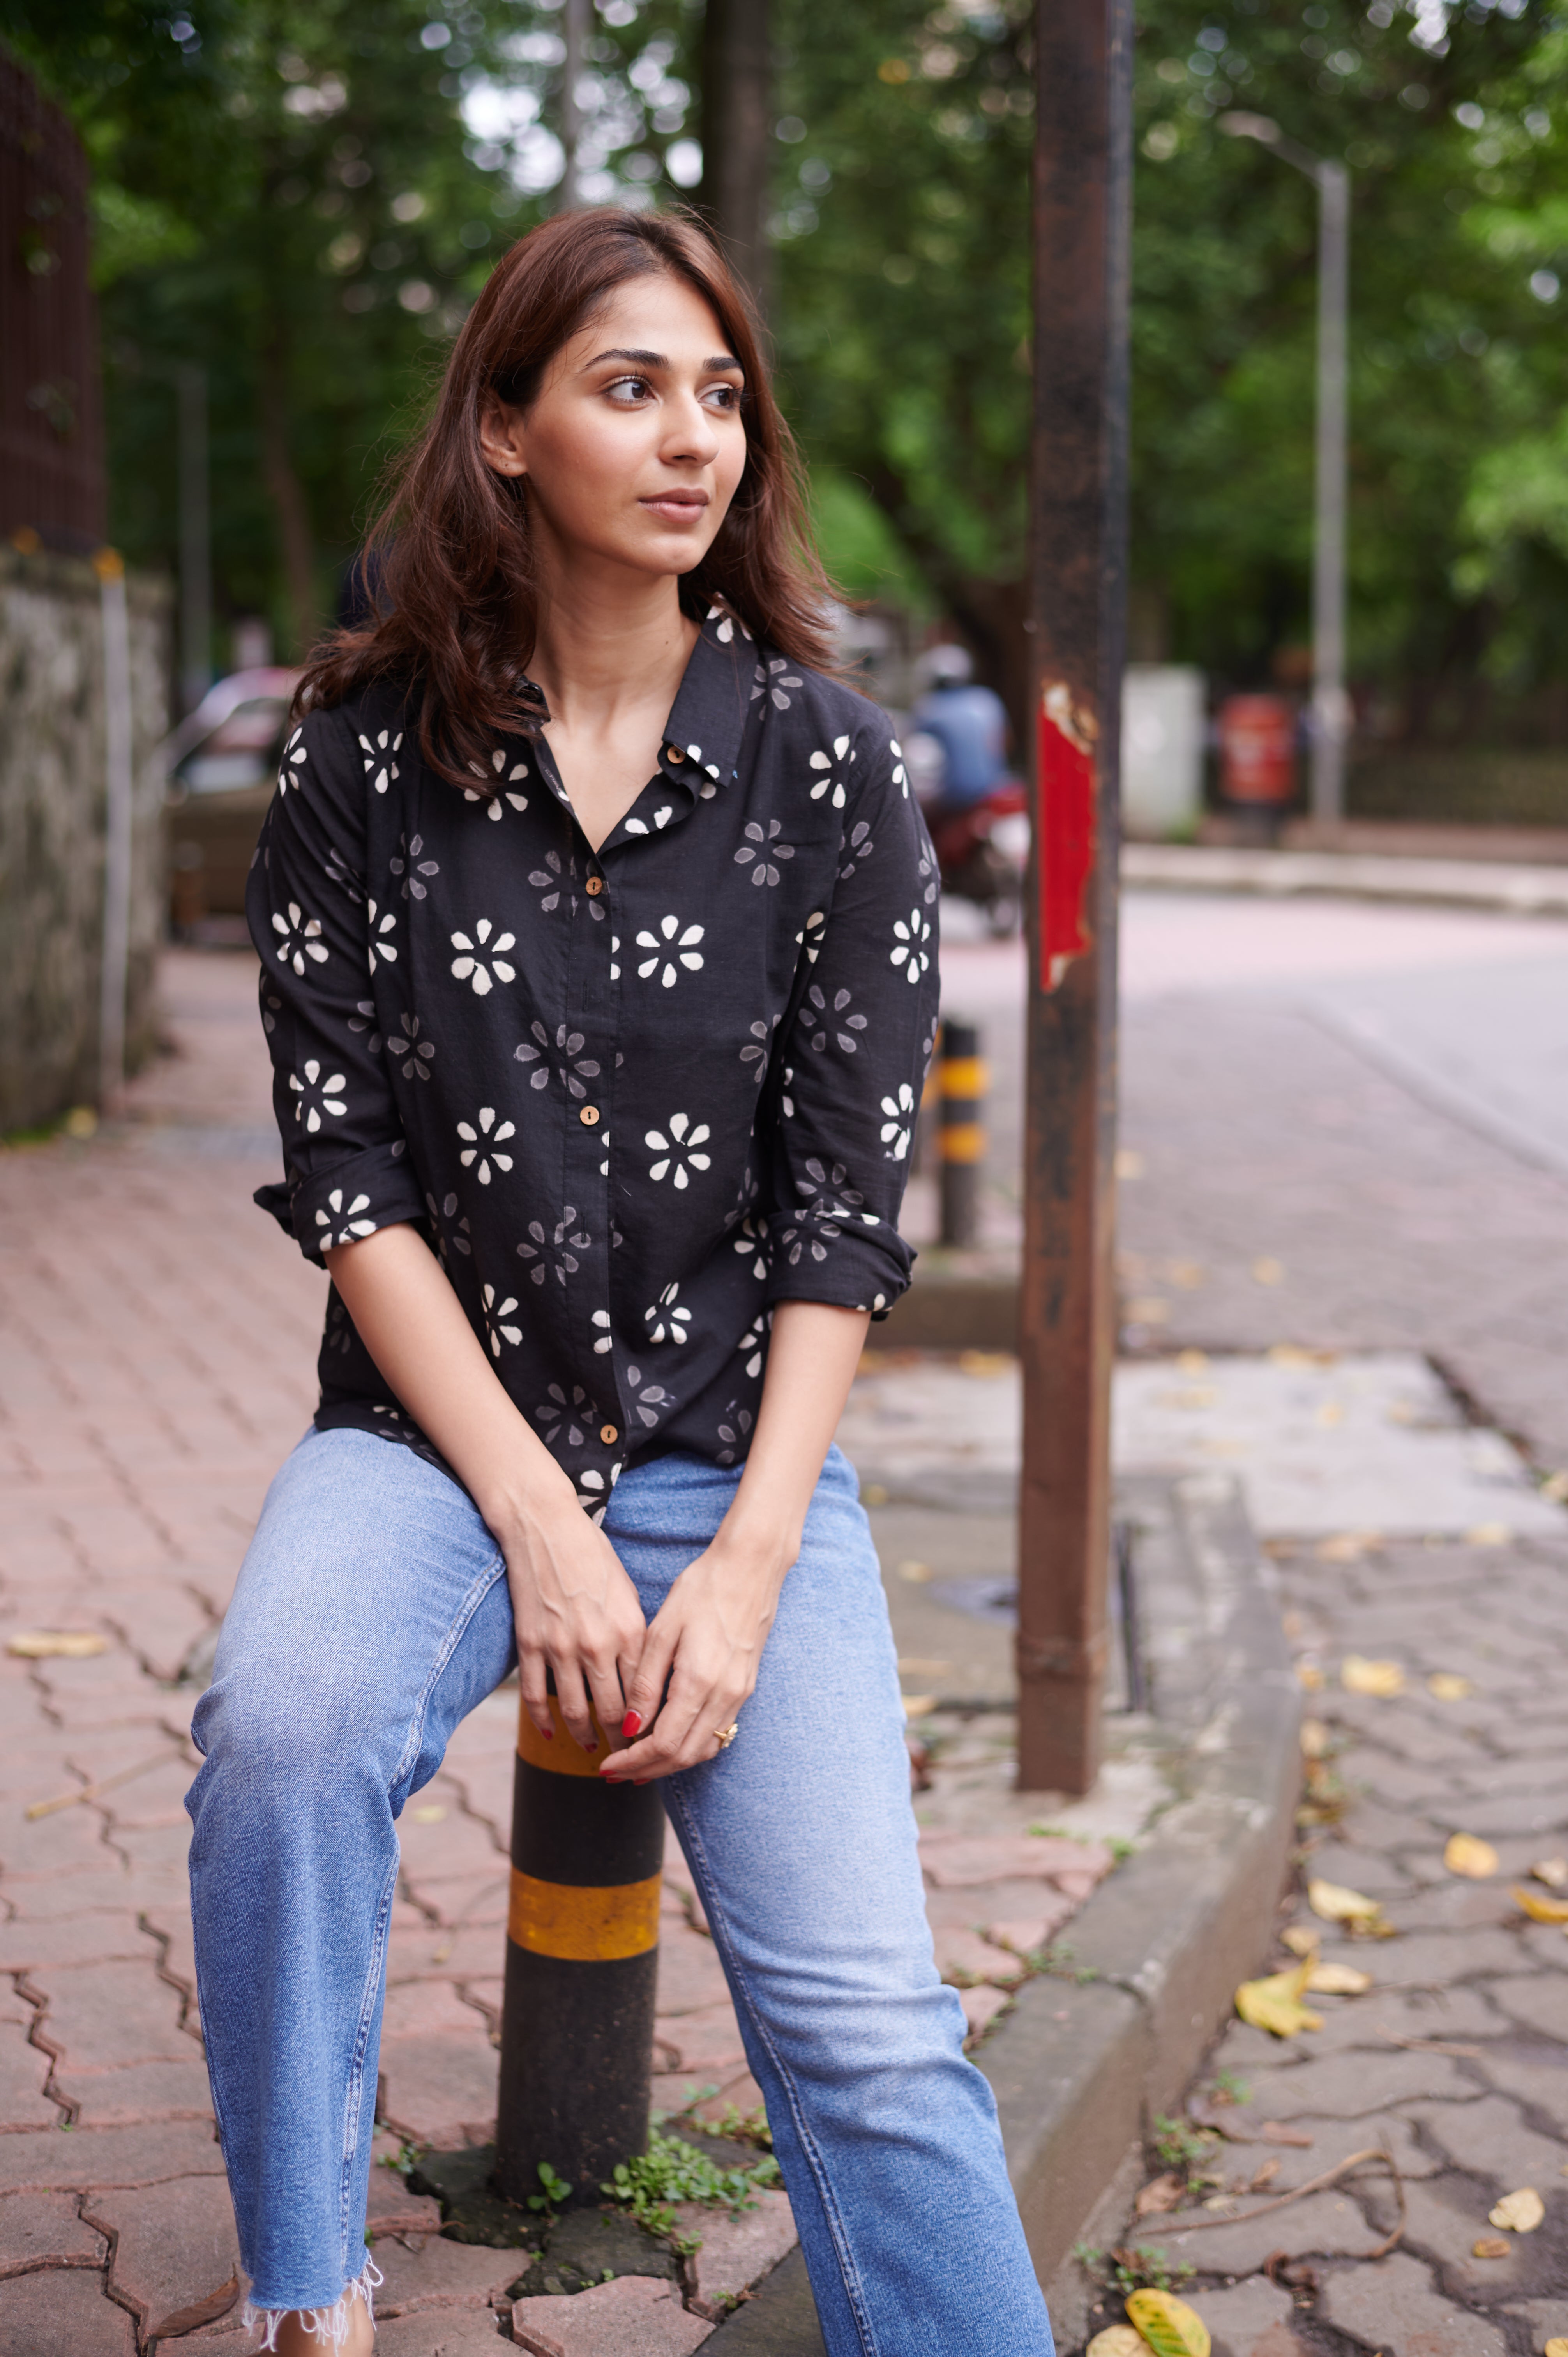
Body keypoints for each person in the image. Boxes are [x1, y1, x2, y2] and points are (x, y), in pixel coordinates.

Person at [185, 208, 1055, 2357]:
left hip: (724, 1455)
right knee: (280, 1731)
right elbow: (351, 1181)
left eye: (722, 393)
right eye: (628, 386)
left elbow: (847, 1206)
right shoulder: (355, 759)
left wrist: (747, 1557)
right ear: (502, 427)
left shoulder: (835, 770)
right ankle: (310, 2288)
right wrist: (535, 1520)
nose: (696, 438)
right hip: (432, 1439)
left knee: (868, 2018)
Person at [911, 640, 1012, 812]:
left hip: (956, 797)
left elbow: (916, 748)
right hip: (997, 789)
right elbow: (1005, 742)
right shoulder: (987, 699)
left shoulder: (929, 708)